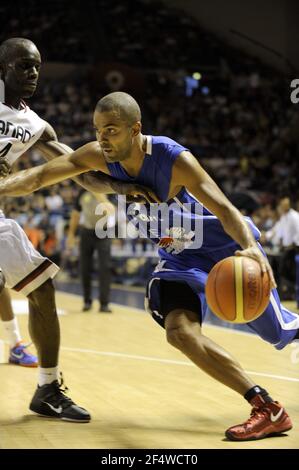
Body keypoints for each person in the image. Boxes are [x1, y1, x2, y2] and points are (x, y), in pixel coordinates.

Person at [0, 91, 298, 441]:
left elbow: (225, 208)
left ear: (135, 128)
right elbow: (38, 176)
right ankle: (267, 407)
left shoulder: (173, 159)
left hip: (224, 252)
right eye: (98, 130)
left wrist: (252, 248)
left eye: (111, 130)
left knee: (278, 333)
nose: (102, 138)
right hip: (180, 259)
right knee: (179, 332)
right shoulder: (98, 156)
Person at [0, 38, 151, 421]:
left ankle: (47, 388)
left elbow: (79, 171)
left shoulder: (34, 126)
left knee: (42, 288)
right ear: (2, 68)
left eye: (36, 66)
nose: (32, 73)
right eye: (22, 65)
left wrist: (119, 187)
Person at [67, 191, 115, 312]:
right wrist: (71, 235)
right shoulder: (82, 192)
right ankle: (87, 301)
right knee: (85, 267)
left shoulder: (107, 190)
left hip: (103, 232)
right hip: (86, 232)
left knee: (105, 267)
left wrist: (97, 192)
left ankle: (104, 303)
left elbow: (109, 211)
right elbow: (75, 214)